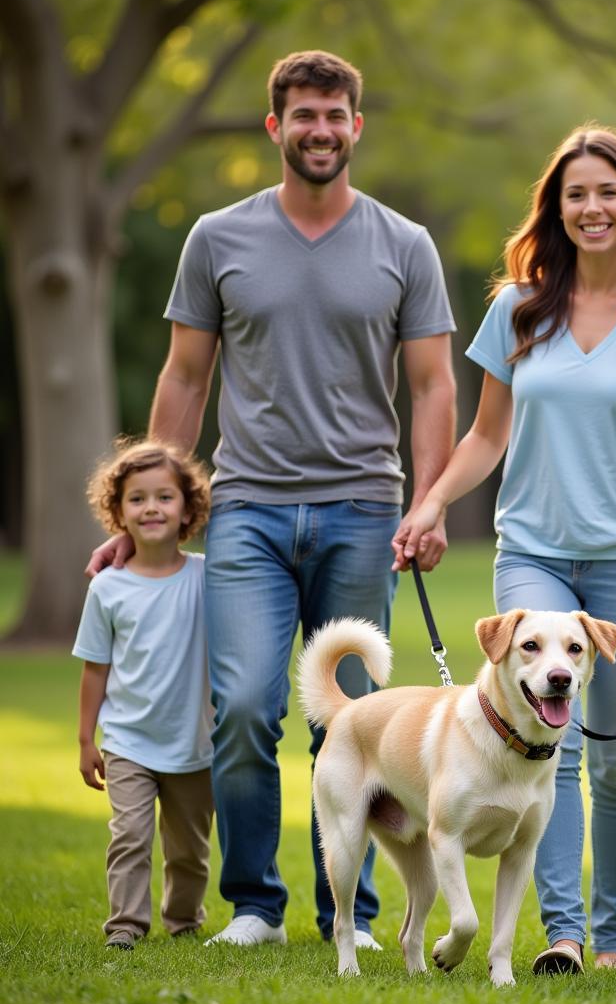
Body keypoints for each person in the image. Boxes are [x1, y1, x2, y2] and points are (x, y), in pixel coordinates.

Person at [87, 50, 457, 948]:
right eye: (304, 116)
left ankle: (352, 915)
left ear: (356, 127)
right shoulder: (218, 237)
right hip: (247, 509)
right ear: (276, 128)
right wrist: (145, 515)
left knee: (357, 720)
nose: (320, 130)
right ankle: (256, 906)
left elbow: (436, 386)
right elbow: (184, 376)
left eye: (335, 116)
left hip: (365, 509)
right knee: (247, 707)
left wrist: (431, 502)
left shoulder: (404, 244)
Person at [392, 125, 616, 973]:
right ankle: (561, 934)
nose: (592, 208)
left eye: (607, 192)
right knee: (541, 749)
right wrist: (432, 501)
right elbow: (487, 436)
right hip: (534, 551)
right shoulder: (519, 306)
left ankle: (615, 943)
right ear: (555, 210)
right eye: (575, 194)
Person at [76, 439, 214, 951]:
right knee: (129, 836)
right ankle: (125, 927)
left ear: (188, 508)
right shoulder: (107, 588)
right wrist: (87, 740)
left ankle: (184, 920)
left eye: (164, 497)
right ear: (118, 512)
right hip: (128, 741)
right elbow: (95, 668)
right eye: (137, 499)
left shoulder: (207, 576)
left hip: (195, 743)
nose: (151, 508)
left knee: (189, 851)